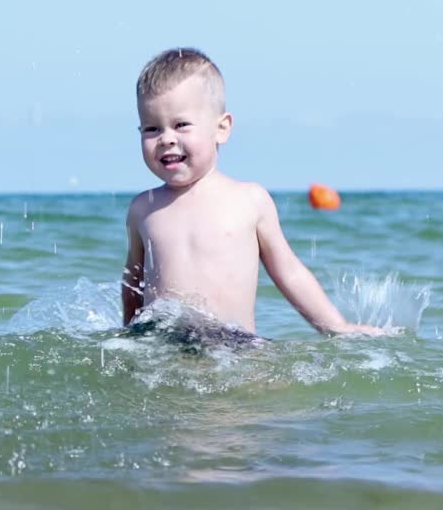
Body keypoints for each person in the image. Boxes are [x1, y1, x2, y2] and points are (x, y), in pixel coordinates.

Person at [122, 47, 387, 340]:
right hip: (163, 345)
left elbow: (288, 272)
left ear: (221, 129)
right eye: (151, 129)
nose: (166, 139)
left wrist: (336, 326)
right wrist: (127, 340)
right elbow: (133, 282)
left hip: (234, 346)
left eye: (181, 125)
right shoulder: (143, 209)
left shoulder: (248, 200)